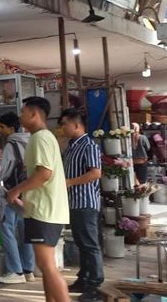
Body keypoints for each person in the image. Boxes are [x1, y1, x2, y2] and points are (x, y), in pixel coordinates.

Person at [7, 97, 70, 302]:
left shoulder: (40, 138)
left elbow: (44, 173)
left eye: (23, 112)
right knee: (45, 266)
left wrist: (16, 190)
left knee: (48, 267)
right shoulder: (45, 137)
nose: (20, 116)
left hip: (45, 211)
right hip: (45, 209)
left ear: (34, 115)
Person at [59, 109, 104, 302]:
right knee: (81, 243)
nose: (62, 128)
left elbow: (95, 173)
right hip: (74, 202)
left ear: (76, 125)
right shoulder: (70, 146)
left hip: (86, 202)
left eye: (65, 124)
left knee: (89, 244)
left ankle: (95, 284)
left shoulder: (88, 145)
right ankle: (83, 278)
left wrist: (70, 182)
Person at [0, 111, 35, 284]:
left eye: (2, 127)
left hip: (12, 192)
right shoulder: (31, 140)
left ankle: (15, 271)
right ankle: (28, 269)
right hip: (29, 191)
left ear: (11, 128)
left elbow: (3, 171)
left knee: (7, 229)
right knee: (26, 232)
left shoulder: (12, 144)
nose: (0, 131)